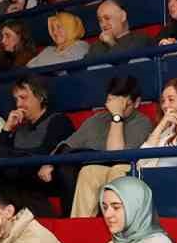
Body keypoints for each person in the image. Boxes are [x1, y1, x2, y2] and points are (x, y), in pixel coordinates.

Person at [49, 76, 154, 217]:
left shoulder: (142, 122)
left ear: (136, 103)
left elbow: (116, 155)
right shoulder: (97, 119)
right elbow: (68, 144)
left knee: (115, 171)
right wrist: (50, 163)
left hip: (122, 170)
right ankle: (79, 228)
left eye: (122, 104)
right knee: (87, 171)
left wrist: (117, 116)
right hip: (94, 168)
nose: (116, 108)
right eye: (112, 103)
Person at [85, 0, 151, 58]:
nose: (103, 24)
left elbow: (128, 63)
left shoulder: (140, 39)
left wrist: (111, 43)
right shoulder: (96, 46)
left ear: (123, 16)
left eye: (107, 18)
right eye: (100, 20)